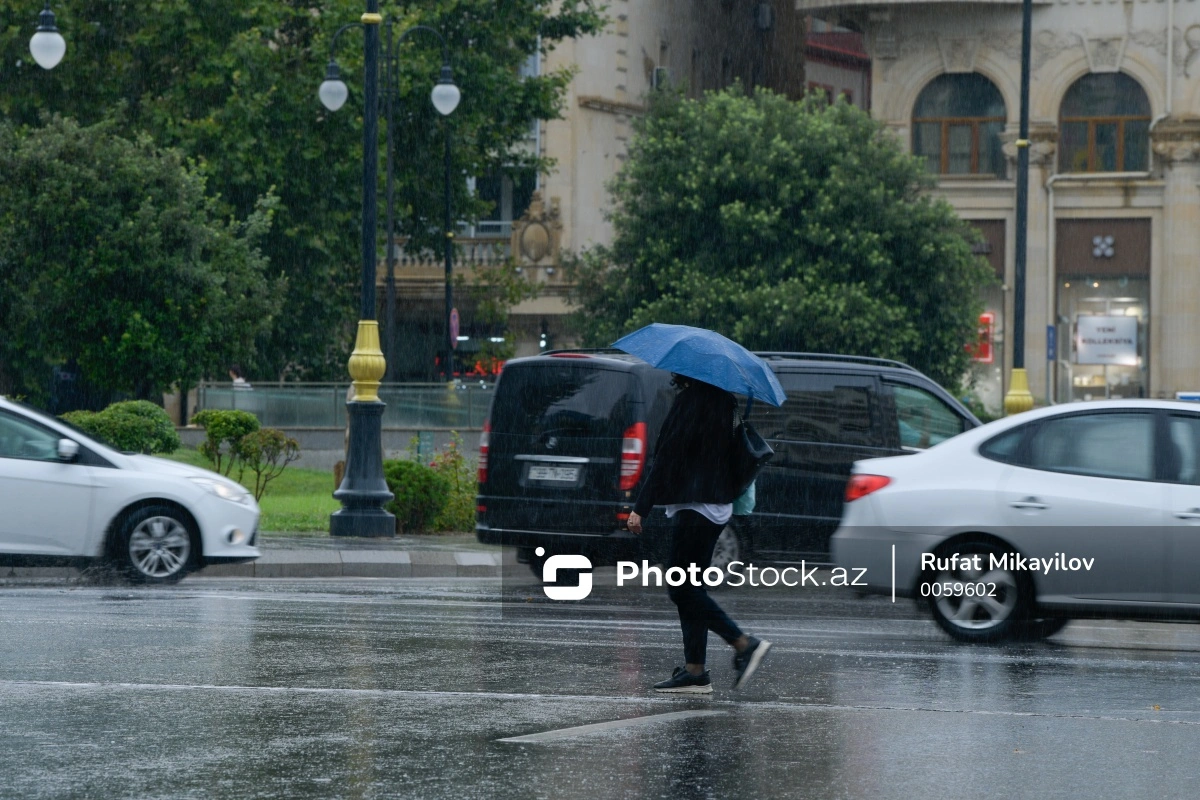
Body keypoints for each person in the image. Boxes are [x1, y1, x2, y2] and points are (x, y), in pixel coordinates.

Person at [626, 374, 772, 694]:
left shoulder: (690, 402)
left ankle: (744, 643)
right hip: (716, 505)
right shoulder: (726, 401)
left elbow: (665, 458)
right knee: (691, 588)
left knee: (681, 589)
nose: (671, 375)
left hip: (696, 506)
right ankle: (694, 670)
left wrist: (641, 507)